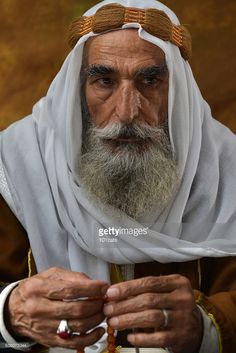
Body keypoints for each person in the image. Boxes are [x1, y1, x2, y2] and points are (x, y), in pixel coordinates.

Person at [0, 0, 236, 352]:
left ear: (180, 93)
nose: (127, 111)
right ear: (77, 93)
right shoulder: (13, 166)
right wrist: (9, 313)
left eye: (150, 80)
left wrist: (209, 327)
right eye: (104, 81)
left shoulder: (226, 167)